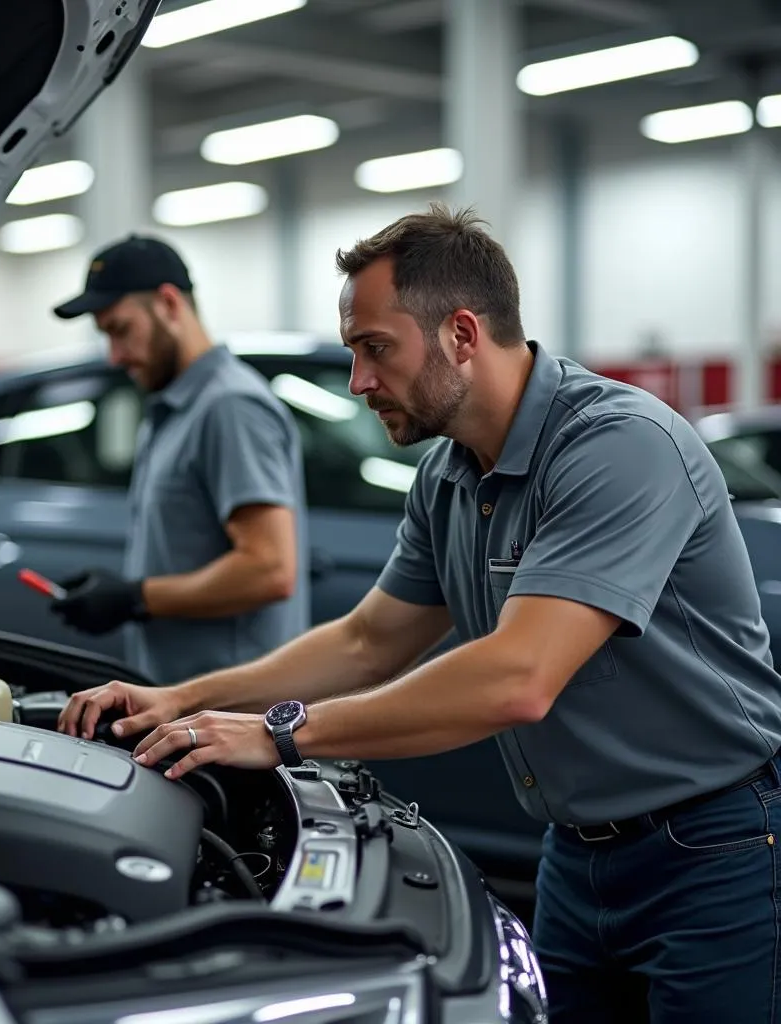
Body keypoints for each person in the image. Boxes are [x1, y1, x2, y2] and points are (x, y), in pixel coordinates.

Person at [58, 203, 781, 1022]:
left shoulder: (617, 445)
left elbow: (518, 677)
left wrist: (278, 733)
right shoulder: (449, 476)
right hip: (575, 855)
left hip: (713, 848)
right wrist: (185, 700)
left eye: (375, 349)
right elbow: (369, 640)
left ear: (462, 334)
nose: (360, 382)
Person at [50, 233, 309, 685]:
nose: (114, 356)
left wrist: (136, 597)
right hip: (185, 705)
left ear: (169, 304)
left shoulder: (230, 408)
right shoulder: (170, 408)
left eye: (120, 330)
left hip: (231, 715)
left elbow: (268, 570)